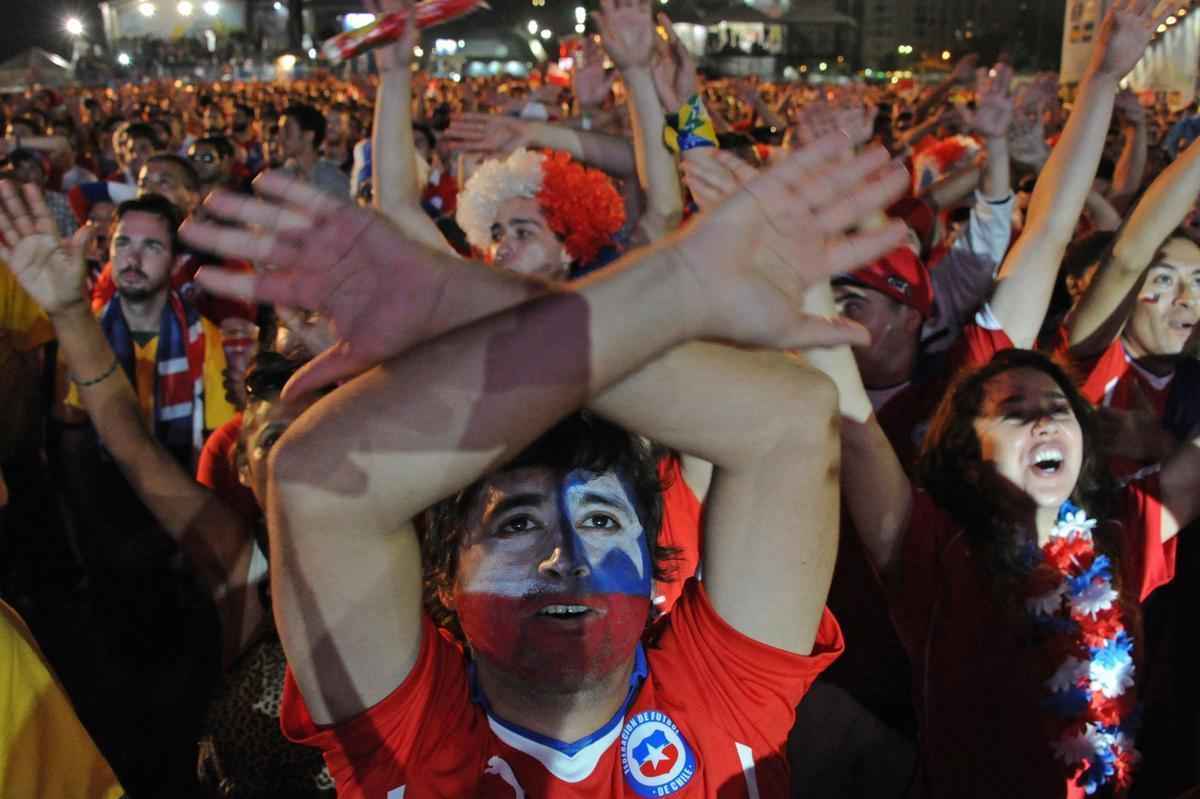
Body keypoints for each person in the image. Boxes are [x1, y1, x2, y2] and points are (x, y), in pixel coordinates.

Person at [178, 113, 908, 794]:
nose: (568, 557)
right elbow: (315, 478)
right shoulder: (408, 741)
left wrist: (471, 299)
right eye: (516, 525)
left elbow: (791, 418)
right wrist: (673, 288)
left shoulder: (720, 699)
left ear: (657, 553)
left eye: (600, 519)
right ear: (443, 580)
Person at [0, 180, 334, 796]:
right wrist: (70, 311)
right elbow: (129, 439)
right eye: (273, 440)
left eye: (317, 429)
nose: (296, 453)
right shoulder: (239, 559)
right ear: (241, 467)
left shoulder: (417, 549)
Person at [63, 194, 237, 467]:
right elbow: (72, 427)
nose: (132, 258)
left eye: (152, 246)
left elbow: (217, 442)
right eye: (122, 243)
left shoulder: (205, 341)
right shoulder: (86, 334)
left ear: (177, 263)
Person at [279, 103, 349, 199]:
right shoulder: (280, 178)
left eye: (287, 131)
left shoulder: (333, 181)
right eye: (280, 131)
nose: (281, 138)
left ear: (308, 135)